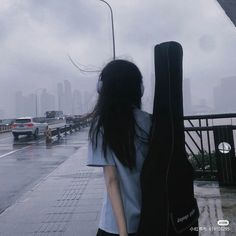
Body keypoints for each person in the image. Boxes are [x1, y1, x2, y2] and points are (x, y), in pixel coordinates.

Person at [87, 59, 152, 236]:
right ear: (137, 89)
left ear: (104, 88)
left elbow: (112, 181)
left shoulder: (102, 126)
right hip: (150, 218)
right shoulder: (148, 121)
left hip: (114, 225)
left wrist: (123, 232)